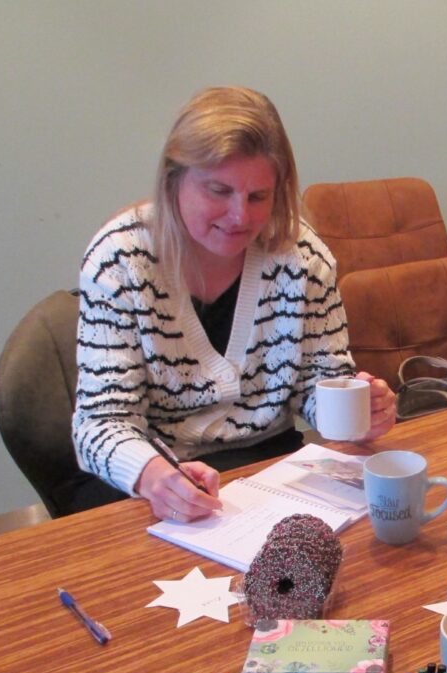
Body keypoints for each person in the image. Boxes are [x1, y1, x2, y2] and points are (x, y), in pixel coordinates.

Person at [74, 86, 395, 521]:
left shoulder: (302, 257)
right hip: (159, 481)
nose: (240, 216)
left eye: (259, 197)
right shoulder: (120, 261)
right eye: (218, 191)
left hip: (274, 473)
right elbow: (98, 423)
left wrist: (360, 412)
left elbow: (319, 384)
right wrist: (152, 474)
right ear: (173, 180)